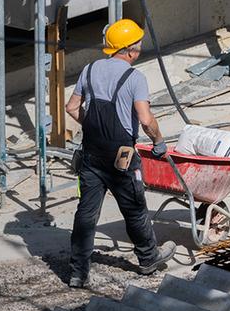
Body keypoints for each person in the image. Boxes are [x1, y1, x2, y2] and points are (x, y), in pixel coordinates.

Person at [64, 18, 175, 288]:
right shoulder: (135, 78)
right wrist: (159, 142)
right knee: (135, 209)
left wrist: (93, 126)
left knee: (86, 214)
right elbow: (146, 120)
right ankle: (149, 259)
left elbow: (71, 107)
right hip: (121, 158)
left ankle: (78, 272)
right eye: (137, 44)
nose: (139, 48)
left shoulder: (89, 70)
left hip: (90, 155)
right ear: (129, 50)